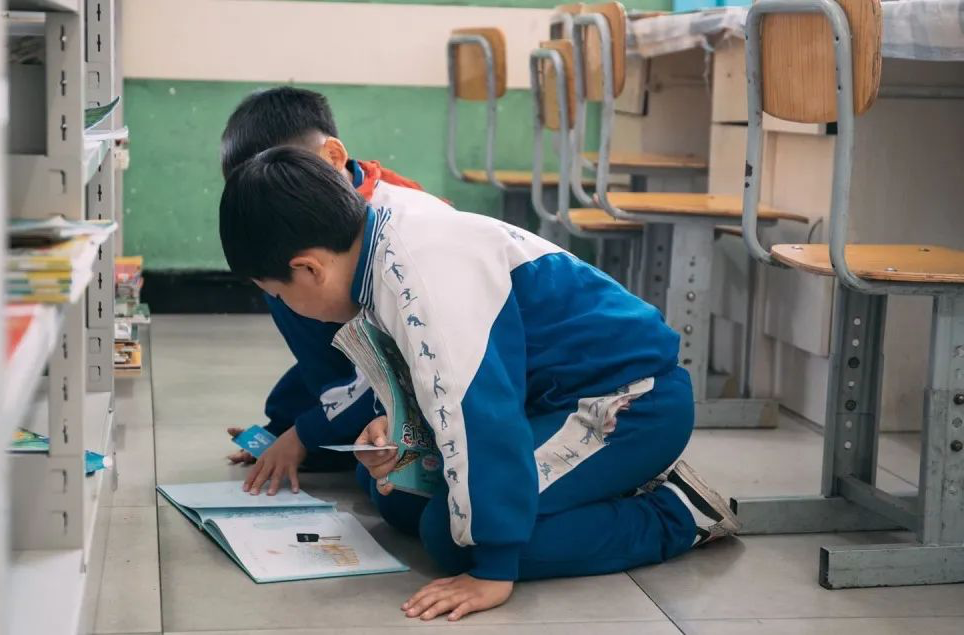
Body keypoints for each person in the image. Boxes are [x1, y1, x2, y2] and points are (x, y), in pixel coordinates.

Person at [219, 147, 741, 621]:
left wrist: (494, 568)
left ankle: (676, 512)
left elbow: (481, 413)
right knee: (397, 497)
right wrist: (397, 432)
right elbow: (434, 387)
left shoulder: (423, 276)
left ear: (309, 268)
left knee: (453, 540)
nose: (286, 307)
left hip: (627, 403)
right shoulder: (378, 248)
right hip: (546, 403)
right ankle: (603, 486)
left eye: (278, 294)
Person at [219, 86, 428, 495]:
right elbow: (334, 358)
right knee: (279, 277)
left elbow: (398, 364)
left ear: (332, 156)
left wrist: (303, 435)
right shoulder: (306, 240)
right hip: (370, 376)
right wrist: (287, 426)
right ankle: (322, 427)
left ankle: (329, 430)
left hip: (418, 384)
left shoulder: (399, 227)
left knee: (391, 494)